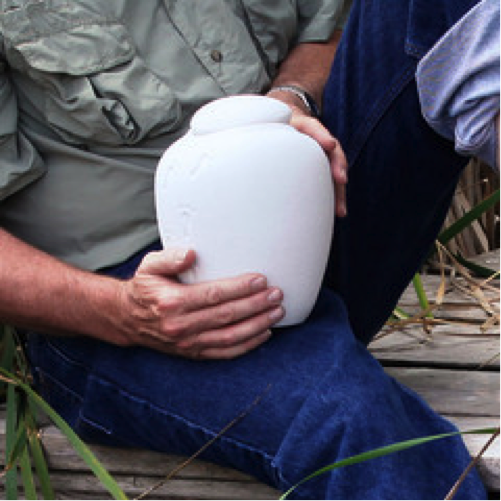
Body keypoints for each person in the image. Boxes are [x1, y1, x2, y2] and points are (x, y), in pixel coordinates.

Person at [0, 1, 488, 499]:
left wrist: (291, 101)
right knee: (347, 420)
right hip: (129, 307)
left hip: (311, 216)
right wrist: (123, 312)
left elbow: (328, 29)